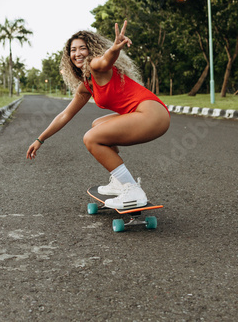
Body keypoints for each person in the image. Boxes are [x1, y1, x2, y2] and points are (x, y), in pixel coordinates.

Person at [26, 21, 170, 209]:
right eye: (73, 50)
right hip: (148, 114)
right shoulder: (87, 85)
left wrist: (114, 48)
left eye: (82, 48)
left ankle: (131, 188)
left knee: (91, 138)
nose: (77, 53)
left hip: (152, 114)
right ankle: (119, 183)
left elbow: (105, 60)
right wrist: (40, 139)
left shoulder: (96, 66)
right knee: (97, 125)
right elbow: (65, 115)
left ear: (91, 49)